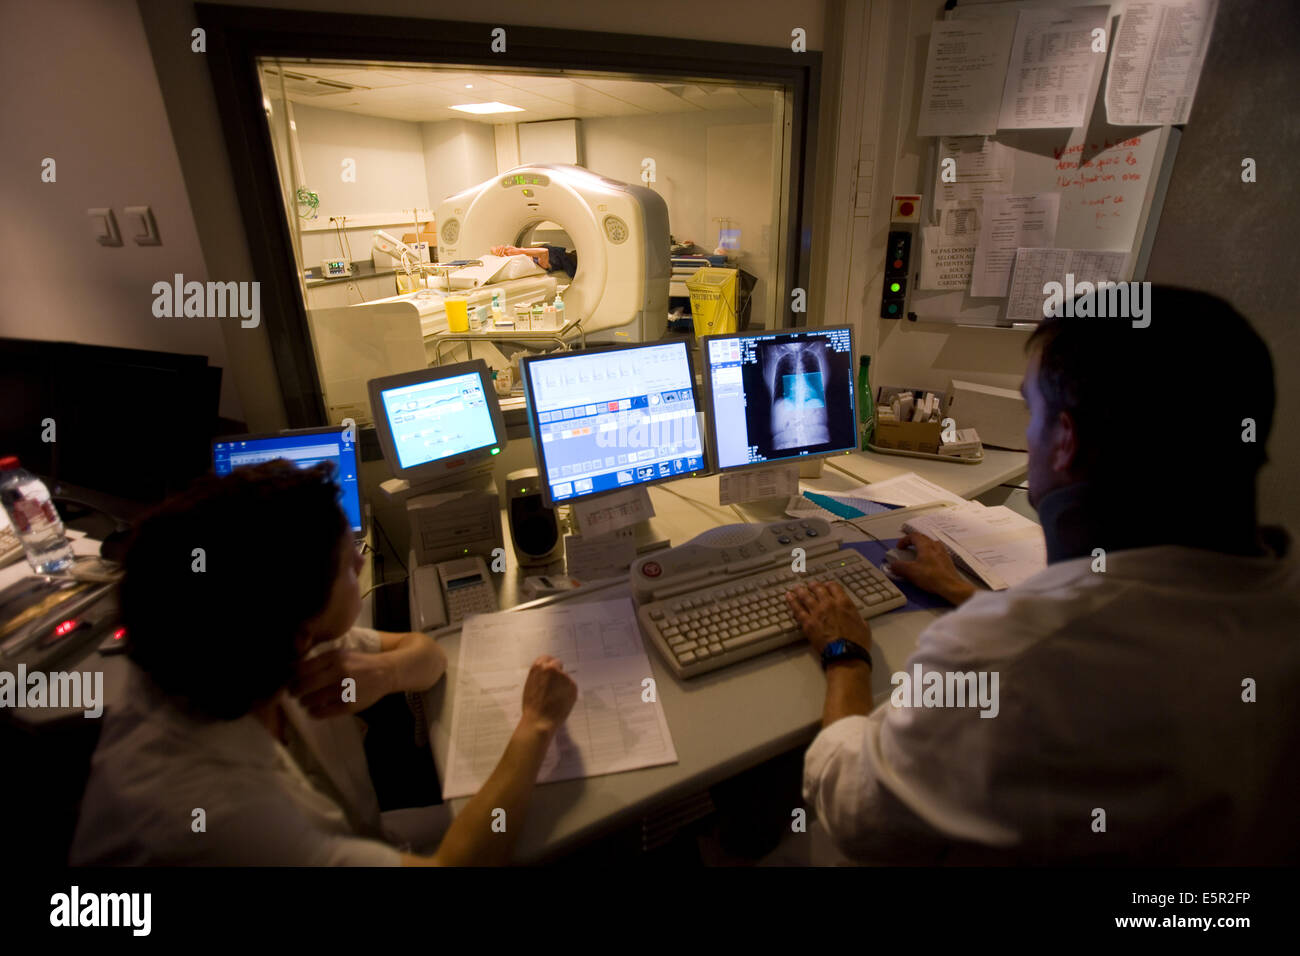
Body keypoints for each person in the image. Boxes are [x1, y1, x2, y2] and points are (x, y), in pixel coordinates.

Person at [787, 286, 1300, 864]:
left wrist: (845, 654)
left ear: (1065, 442)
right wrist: (959, 589)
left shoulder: (1008, 656)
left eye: (1032, 412)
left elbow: (854, 808)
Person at [71, 461, 576, 866]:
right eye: (345, 562)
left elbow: (427, 654)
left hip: (362, 831)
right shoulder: (211, 819)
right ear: (297, 626)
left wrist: (389, 672)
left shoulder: (240, 634)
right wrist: (535, 725)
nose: (360, 562)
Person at [490, 243, 577, 279]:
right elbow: (544, 252)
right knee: (574, 257)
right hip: (563, 256)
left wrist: (498, 249)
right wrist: (521, 251)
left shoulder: (523, 255)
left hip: (551, 250)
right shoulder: (541, 265)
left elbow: (492, 249)